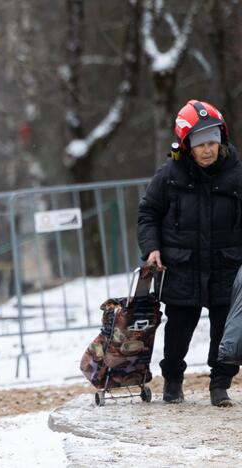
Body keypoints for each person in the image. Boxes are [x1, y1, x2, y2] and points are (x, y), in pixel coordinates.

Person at [138, 99, 242, 407]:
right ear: (186, 144)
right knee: (178, 331)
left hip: (227, 266)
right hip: (183, 268)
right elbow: (148, 214)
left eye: (213, 141)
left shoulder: (237, 175)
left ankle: (220, 384)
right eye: (200, 143)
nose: (208, 149)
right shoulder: (169, 175)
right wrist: (152, 248)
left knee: (225, 331)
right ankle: (173, 381)